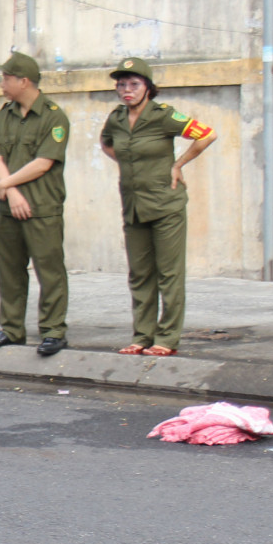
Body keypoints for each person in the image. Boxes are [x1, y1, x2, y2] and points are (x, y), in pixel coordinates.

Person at [100, 58, 217, 356]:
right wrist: (129, 163)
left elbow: (207, 134)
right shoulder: (116, 118)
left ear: (148, 88)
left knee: (169, 274)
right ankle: (142, 335)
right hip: (134, 205)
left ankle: (166, 338)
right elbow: (107, 143)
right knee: (139, 274)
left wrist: (178, 164)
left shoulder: (163, 116)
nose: (127, 90)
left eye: (134, 84)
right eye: (122, 85)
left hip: (166, 205)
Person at [0, 51, 72, 356]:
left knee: (49, 270)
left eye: (6, 79)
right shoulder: (5, 114)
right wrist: (11, 192)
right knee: (10, 271)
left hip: (42, 207)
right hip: (10, 206)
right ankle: (12, 329)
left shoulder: (53, 116)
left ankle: (53, 331)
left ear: (24, 81)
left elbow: (44, 162)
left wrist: (5, 184)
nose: (1, 84)